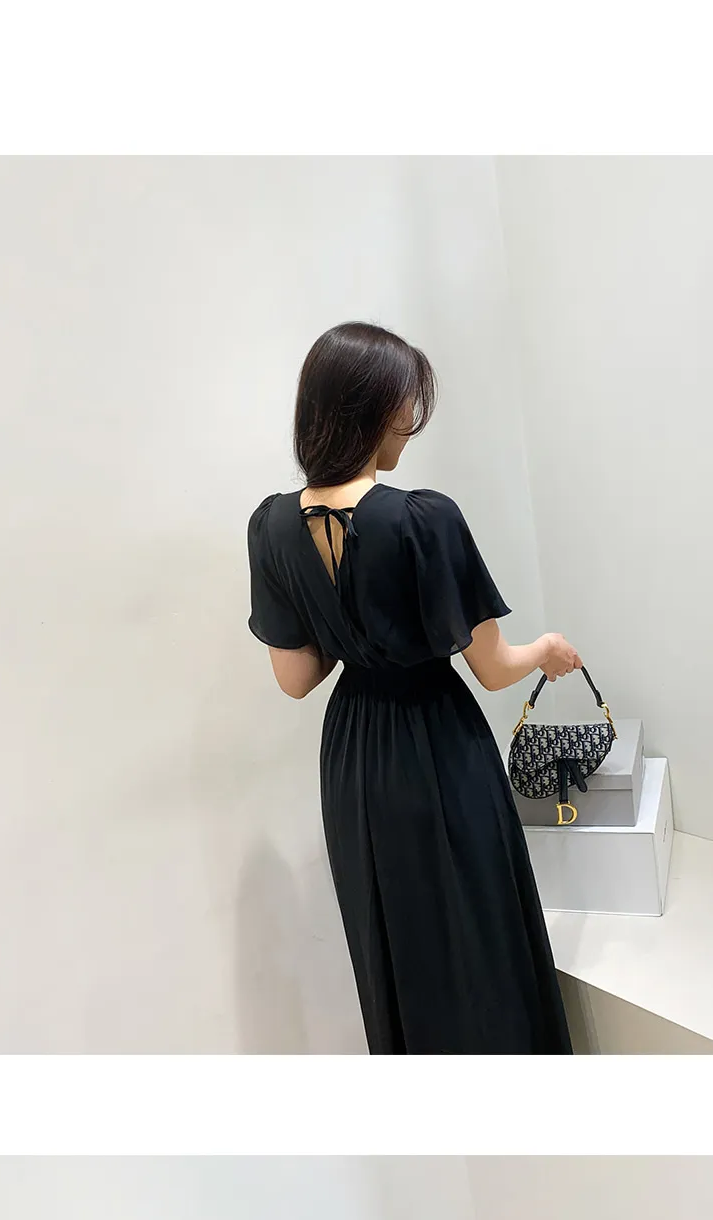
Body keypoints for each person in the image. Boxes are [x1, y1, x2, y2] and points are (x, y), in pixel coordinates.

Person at [247, 320, 583, 1055]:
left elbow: (295, 679)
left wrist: (347, 630)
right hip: (436, 739)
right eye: (405, 405)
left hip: (353, 758)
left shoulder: (271, 527)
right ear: (373, 409)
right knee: (475, 925)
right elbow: (494, 668)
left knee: (392, 934)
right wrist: (547, 652)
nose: (410, 421)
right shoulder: (422, 519)